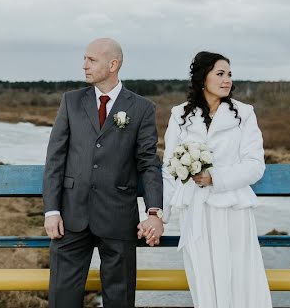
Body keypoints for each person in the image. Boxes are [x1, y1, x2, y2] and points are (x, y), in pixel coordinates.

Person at [43, 37, 164, 308]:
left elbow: (148, 163)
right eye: (85, 58)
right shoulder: (71, 102)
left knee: (120, 300)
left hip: (118, 216)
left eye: (91, 60)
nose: (84, 65)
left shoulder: (142, 108)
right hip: (71, 217)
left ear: (113, 64)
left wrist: (154, 212)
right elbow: (55, 159)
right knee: (62, 299)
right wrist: (52, 211)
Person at [159, 51, 272, 307]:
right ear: (203, 78)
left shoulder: (244, 114)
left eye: (229, 74)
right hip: (195, 213)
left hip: (232, 210)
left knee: (239, 279)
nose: (227, 80)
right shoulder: (179, 115)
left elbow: (255, 166)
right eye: (220, 74)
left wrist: (215, 178)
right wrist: (161, 216)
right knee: (203, 280)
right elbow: (169, 169)